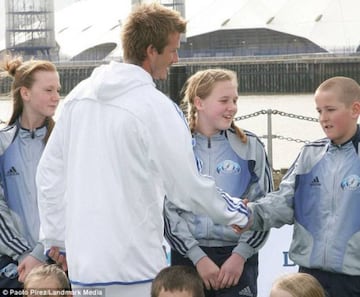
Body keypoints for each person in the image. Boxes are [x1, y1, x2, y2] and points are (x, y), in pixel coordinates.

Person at [35, 3, 248, 297]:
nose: (176, 58)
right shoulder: (156, 107)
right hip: (137, 269)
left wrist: (56, 239)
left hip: (85, 271)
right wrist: (237, 214)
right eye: (172, 50)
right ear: (151, 51)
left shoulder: (77, 98)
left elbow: (49, 174)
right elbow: (186, 185)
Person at [246, 76, 360, 297]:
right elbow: (283, 201)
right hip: (308, 280)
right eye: (319, 111)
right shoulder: (310, 154)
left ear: (355, 109)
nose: (323, 118)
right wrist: (248, 214)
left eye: (330, 110)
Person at [164, 69, 273, 297]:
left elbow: (264, 206)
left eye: (234, 100)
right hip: (188, 260)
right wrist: (197, 257)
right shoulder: (177, 147)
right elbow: (167, 209)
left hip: (237, 263)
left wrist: (240, 255)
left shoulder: (251, 147)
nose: (232, 107)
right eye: (224, 100)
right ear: (199, 103)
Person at [0, 57, 60, 288]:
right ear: (25, 93)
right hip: (16, 265)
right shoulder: (3, 144)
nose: (56, 96)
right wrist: (25, 255)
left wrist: (41, 251)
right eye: (48, 90)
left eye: (57, 90)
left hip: (59, 261)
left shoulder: (63, 143)